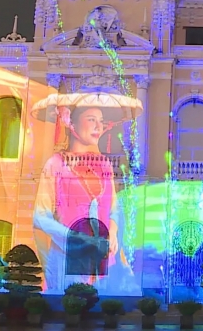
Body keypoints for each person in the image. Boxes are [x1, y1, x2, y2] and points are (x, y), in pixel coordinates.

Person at [31, 92, 142, 292]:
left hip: (102, 259)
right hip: (68, 258)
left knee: (105, 300)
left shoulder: (104, 165)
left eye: (101, 121)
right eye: (91, 120)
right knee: (71, 299)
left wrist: (113, 232)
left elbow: (114, 208)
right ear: (70, 122)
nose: (98, 126)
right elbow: (40, 217)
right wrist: (75, 238)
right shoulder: (56, 164)